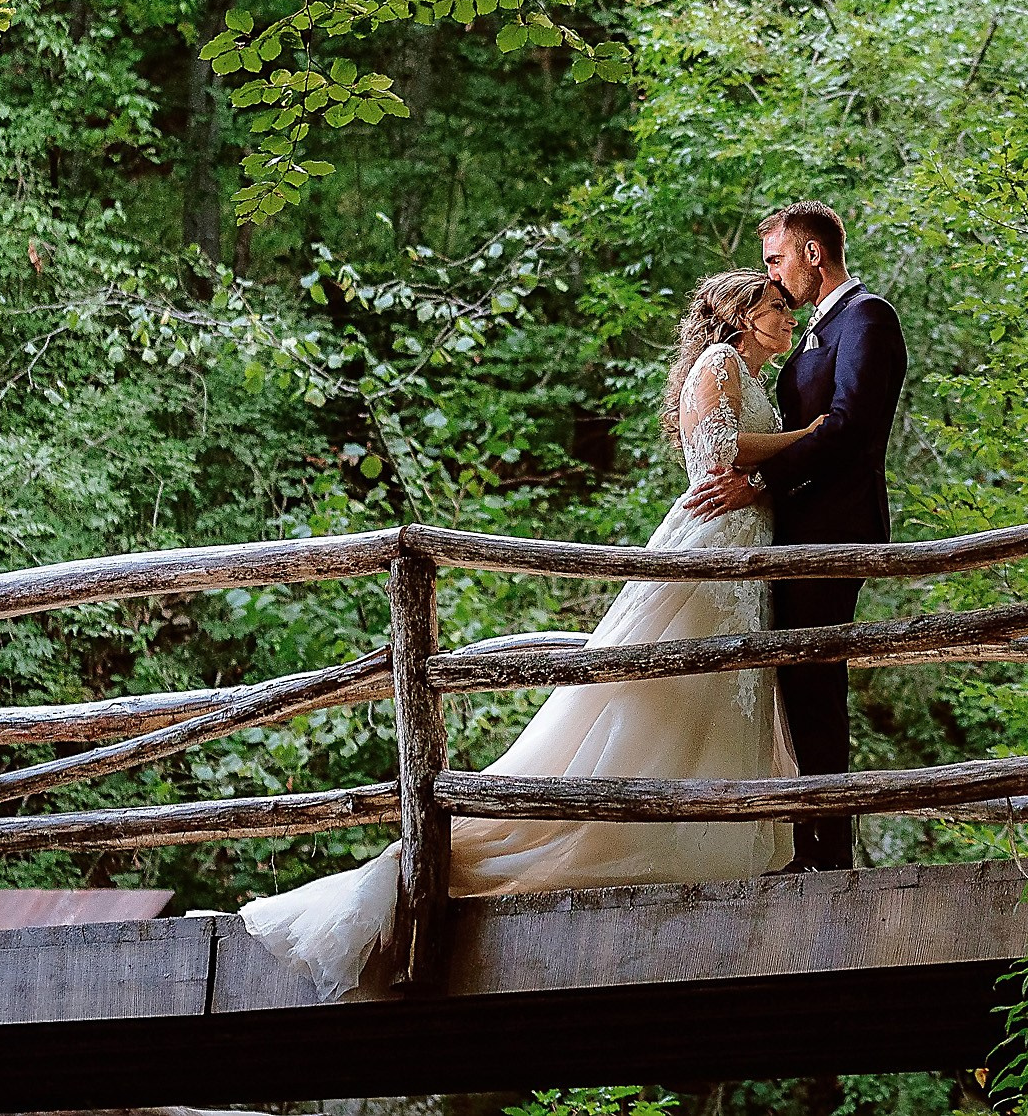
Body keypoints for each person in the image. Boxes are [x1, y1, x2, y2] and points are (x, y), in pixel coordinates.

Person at [237, 270, 817, 1000]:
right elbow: (720, 458)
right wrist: (813, 438)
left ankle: (706, 829)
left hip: (745, 548)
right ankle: (615, 826)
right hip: (712, 548)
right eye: (774, 306)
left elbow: (751, 471)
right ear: (739, 314)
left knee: (719, 692)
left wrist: (777, 471)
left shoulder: (764, 376)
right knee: (669, 686)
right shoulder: (720, 363)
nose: (785, 318)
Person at [682, 201, 907, 871]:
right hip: (790, 532)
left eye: (777, 259)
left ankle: (830, 853)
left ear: (813, 254)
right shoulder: (814, 333)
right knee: (791, 687)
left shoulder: (869, 319)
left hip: (836, 528)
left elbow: (848, 431)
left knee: (816, 684)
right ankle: (801, 841)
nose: (772, 277)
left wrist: (759, 486)